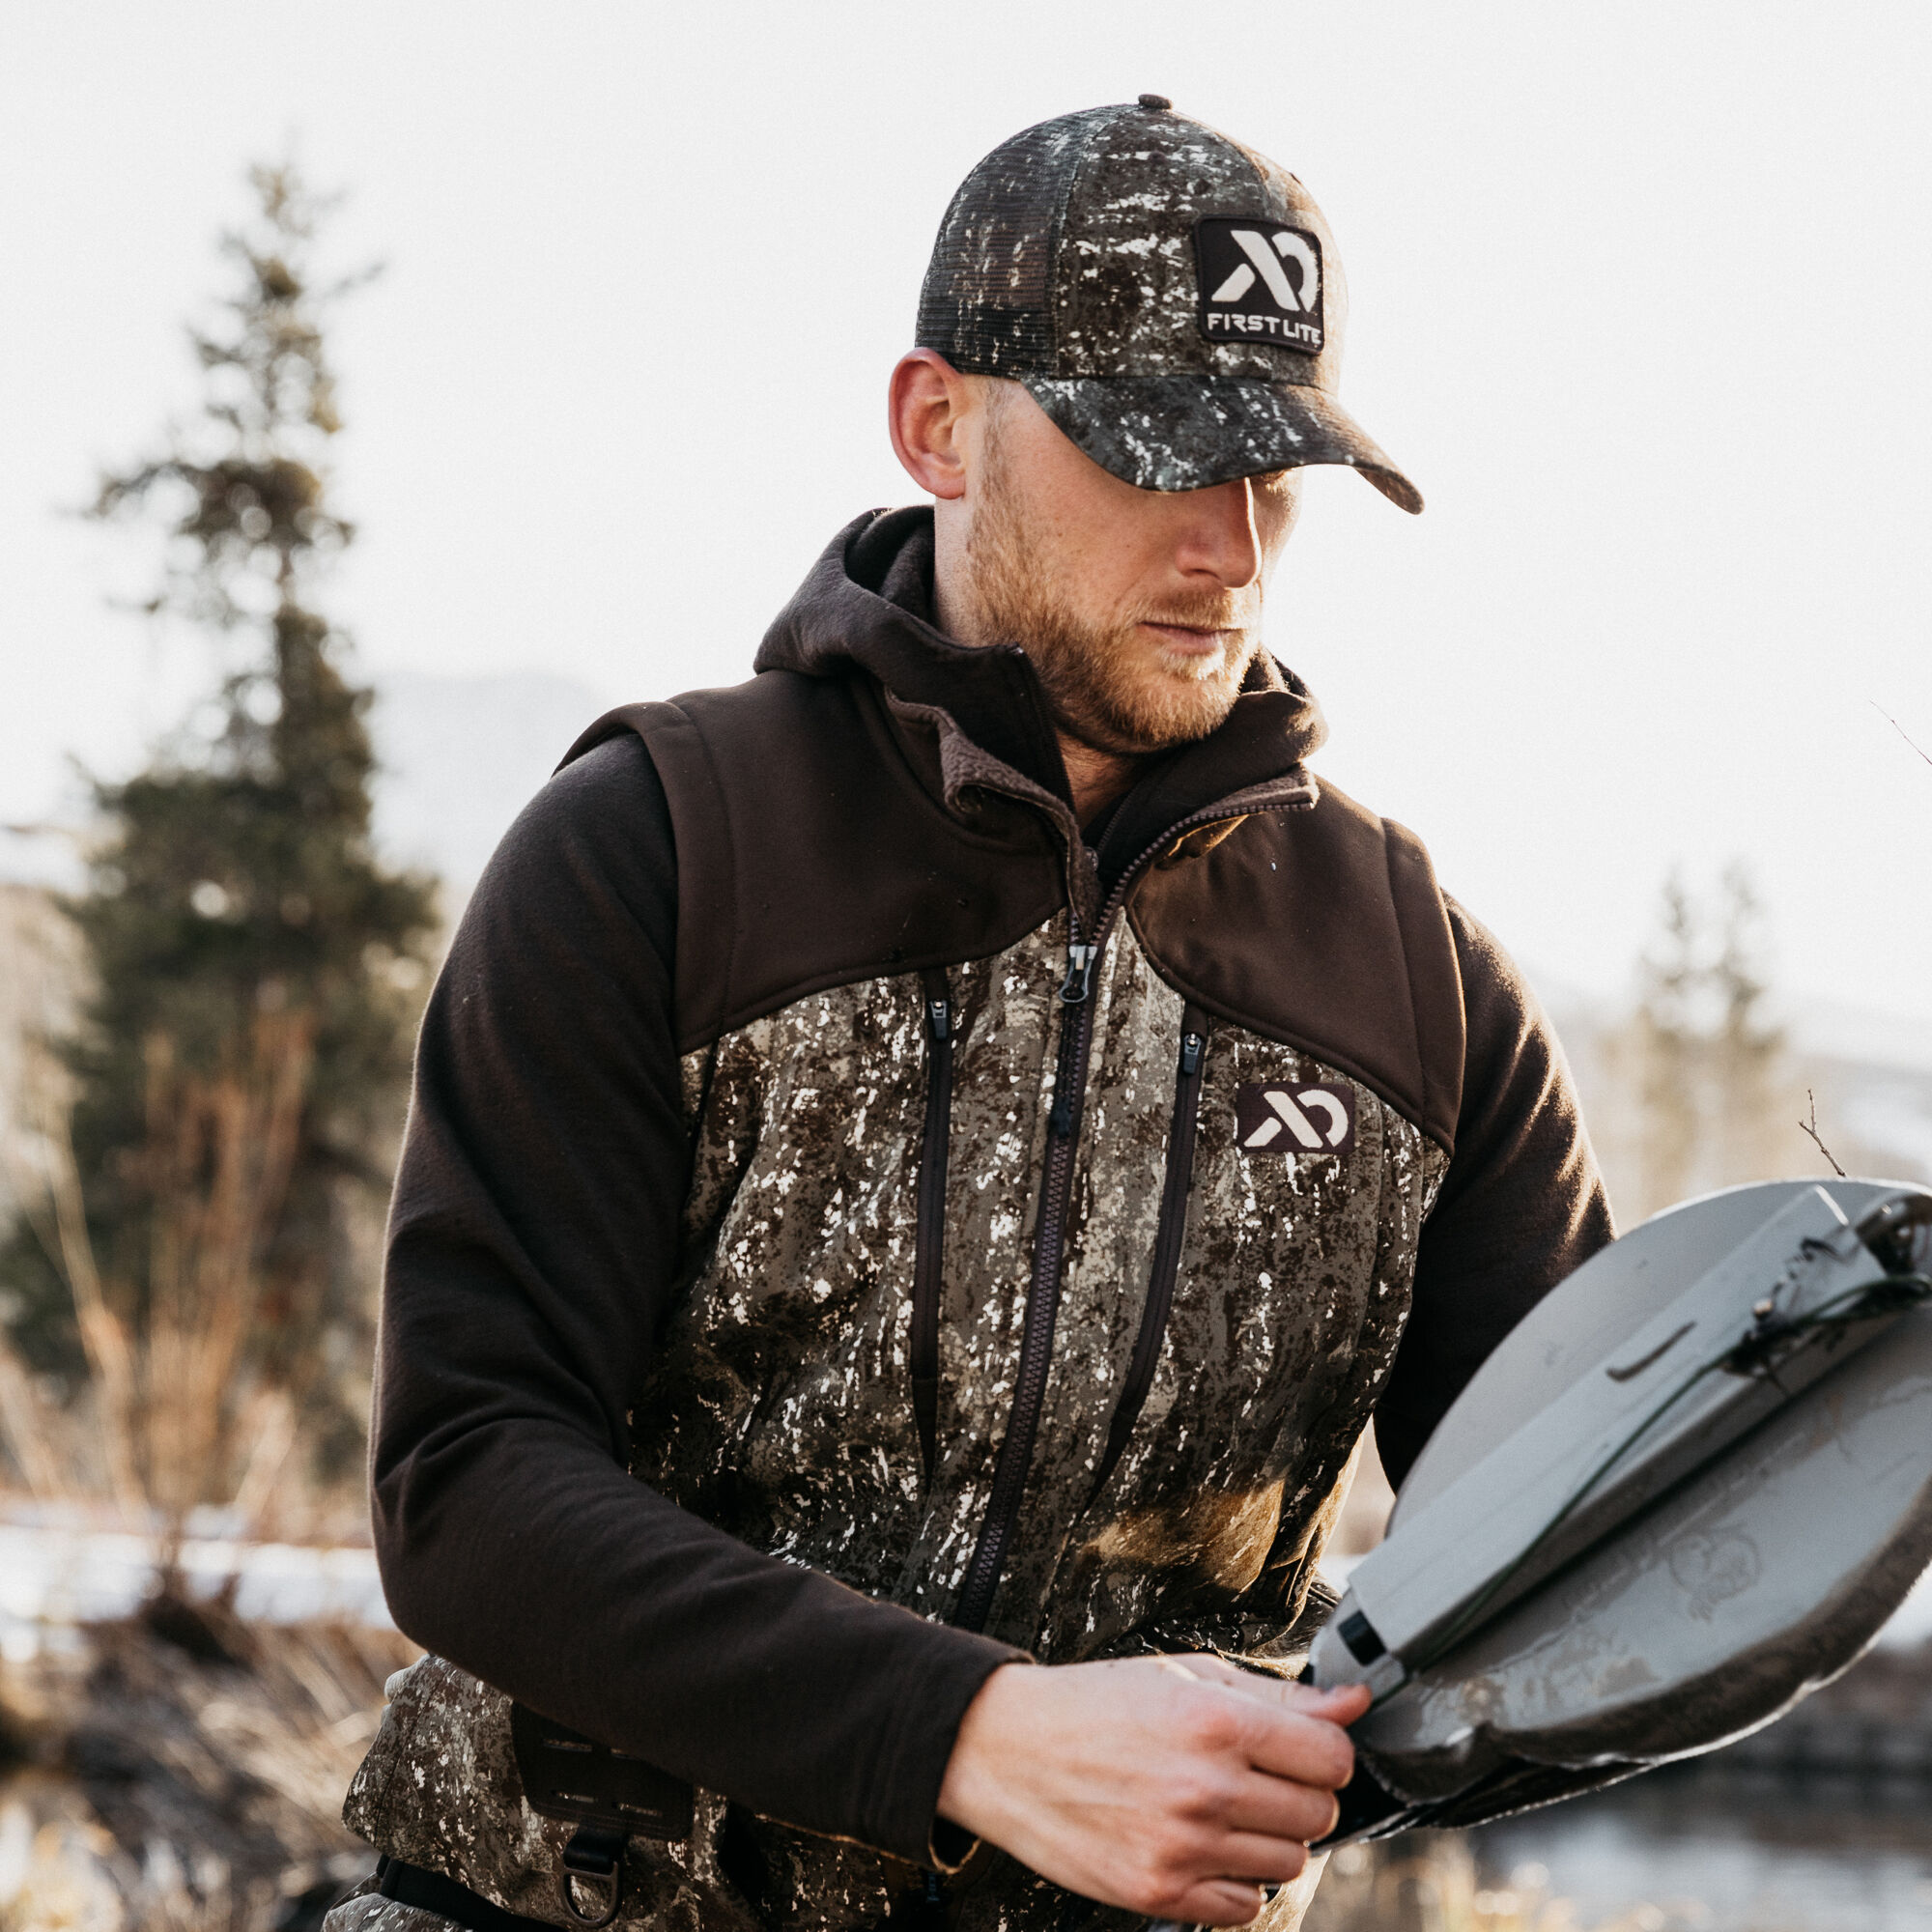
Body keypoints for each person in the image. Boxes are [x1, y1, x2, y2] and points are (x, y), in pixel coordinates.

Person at [328, 99, 1611, 1932]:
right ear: (938, 422)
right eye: (1155, 451)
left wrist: (1326, 1747)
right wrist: (974, 1735)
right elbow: (466, 1485)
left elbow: (1571, 1578)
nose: (1231, 548)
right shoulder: (658, 847)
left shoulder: (1419, 979)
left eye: (1278, 473)